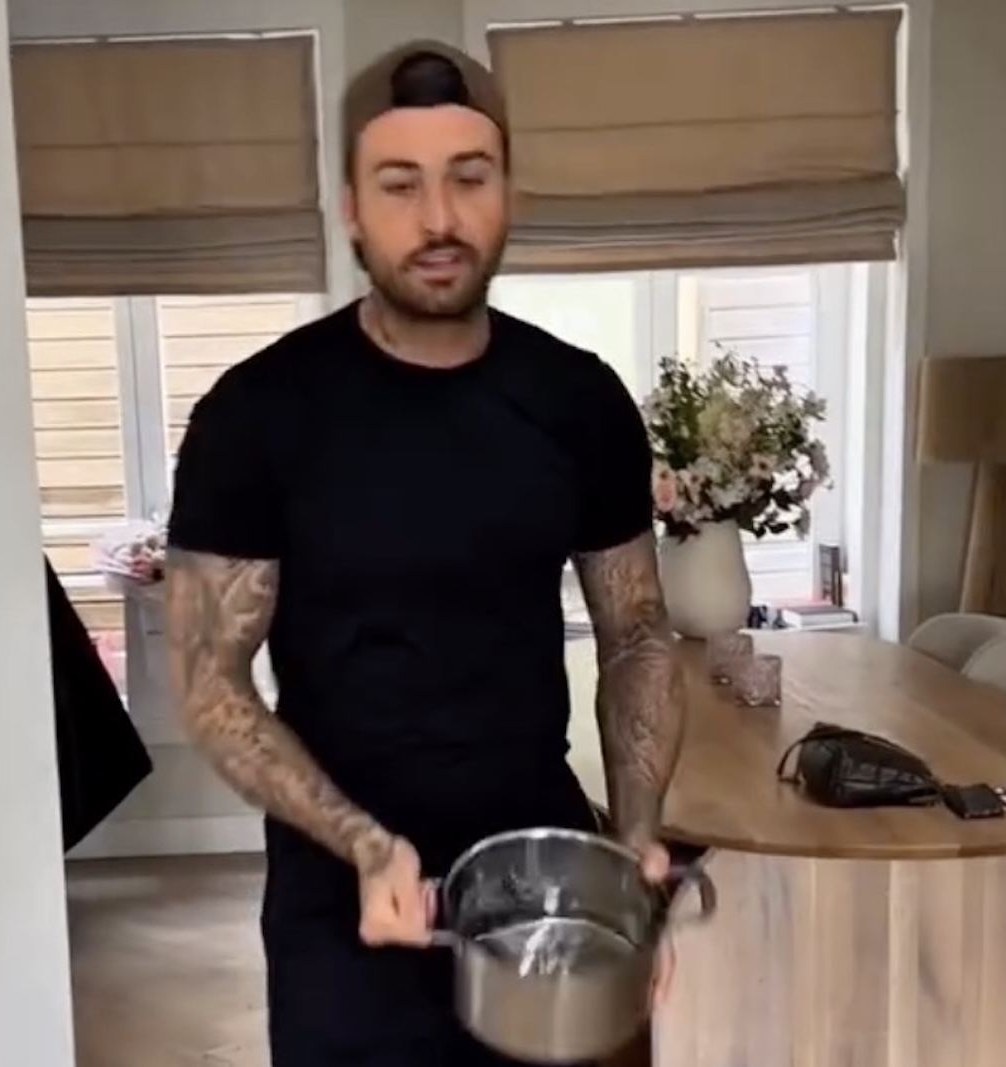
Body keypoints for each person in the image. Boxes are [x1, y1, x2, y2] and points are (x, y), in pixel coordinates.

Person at [163, 39, 686, 1067]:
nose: (439, 218)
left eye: (469, 178)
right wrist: (362, 841)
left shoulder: (578, 401)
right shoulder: (256, 414)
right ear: (352, 208)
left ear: (510, 193)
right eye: (400, 184)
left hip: (539, 876)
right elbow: (208, 676)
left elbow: (635, 630)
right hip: (340, 885)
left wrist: (634, 838)